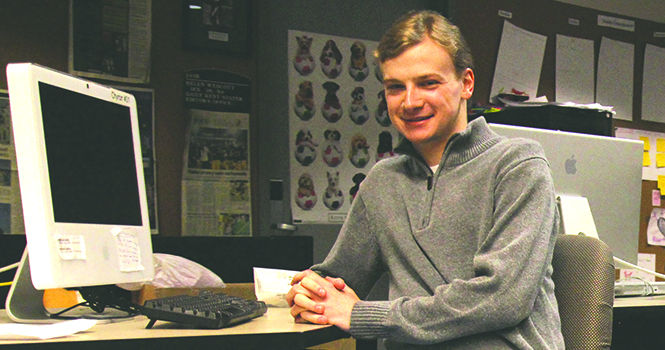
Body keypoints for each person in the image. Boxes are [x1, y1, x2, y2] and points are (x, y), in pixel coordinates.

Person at [286, 9, 564, 349]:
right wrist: (312, 292)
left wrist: (363, 315)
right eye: (395, 87)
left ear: (466, 84)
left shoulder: (518, 164)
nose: (410, 102)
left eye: (428, 83)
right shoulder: (383, 181)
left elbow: (503, 298)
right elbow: (339, 278)